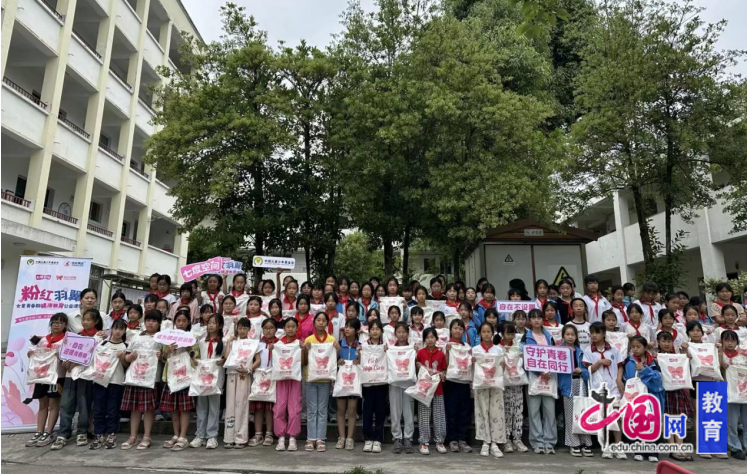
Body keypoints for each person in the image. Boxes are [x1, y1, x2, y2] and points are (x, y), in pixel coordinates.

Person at [52, 308, 103, 450]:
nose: (85, 322)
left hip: (86, 376)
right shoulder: (75, 336)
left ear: (96, 321)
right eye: (84, 319)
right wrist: (64, 361)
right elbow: (65, 352)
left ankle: (82, 431)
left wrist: (75, 362)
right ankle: (63, 433)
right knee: (66, 404)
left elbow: (95, 357)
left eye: (89, 320)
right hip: (70, 375)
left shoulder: (99, 338)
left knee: (84, 405)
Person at [120, 310, 163, 450]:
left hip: (151, 378)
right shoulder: (136, 337)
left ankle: (146, 437)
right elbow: (127, 357)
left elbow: (166, 357)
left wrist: (162, 355)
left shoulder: (162, 338)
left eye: (154, 321)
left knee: (149, 409)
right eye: (148, 320)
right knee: (135, 408)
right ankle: (133, 436)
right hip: (135, 377)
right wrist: (129, 357)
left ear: (159, 323)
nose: (150, 323)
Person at [25, 313, 68, 448]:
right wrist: (30, 354)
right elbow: (34, 353)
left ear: (65, 325)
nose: (56, 325)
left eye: (60, 322)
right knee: (42, 404)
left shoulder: (66, 340)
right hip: (41, 376)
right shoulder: (43, 340)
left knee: (53, 404)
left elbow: (68, 357)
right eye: (54, 322)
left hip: (57, 376)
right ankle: (39, 432)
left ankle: (49, 432)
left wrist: (60, 356)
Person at [619, 335, 664, 462]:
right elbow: (629, 379)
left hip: (652, 395)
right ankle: (638, 450)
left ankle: (653, 452)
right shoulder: (629, 362)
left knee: (652, 422)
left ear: (645, 348)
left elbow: (657, 380)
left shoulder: (653, 361)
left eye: (638, 346)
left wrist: (644, 370)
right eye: (633, 347)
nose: (635, 349)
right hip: (637, 396)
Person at [584, 322, 625, 459]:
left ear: (603, 334)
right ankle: (606, 446)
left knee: (616, 417)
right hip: (599, 389)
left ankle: (618, 446)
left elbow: (620, 365)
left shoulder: (613, 349)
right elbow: (589, 370)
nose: (594, 335)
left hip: (613, 388)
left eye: (597, 332)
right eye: (592, 333)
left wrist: (619, 379)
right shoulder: (588, 350)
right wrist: (600, 362)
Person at [522, 309, 557, 454]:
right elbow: (524, 357)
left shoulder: (549, 336)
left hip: (549, 377)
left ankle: (550, 442)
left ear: (543, 320)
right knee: (534, 412)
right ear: (529, 320)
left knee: (550, 411)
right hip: (533, 377)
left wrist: (550, 372)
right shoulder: (526, 337)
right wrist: (539, 372)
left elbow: (556, 356)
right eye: (533, 318)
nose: (536, 320)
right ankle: (537, 442)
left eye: (539, 318)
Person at [90, 318, 128, 449]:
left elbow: (126, 366)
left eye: (121, 329)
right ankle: (99, 434)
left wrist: (122, 358)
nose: (118, 331)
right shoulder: (102, 344)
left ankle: (111, 434)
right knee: (98, 408)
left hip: (116, 382)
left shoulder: (125, 346)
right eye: (116, 328)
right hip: (100, 381)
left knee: (113, 409)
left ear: (125, 331)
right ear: (111, 329)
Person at [159, 310, 195, 451]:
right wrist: (168, 349)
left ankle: (183, 436)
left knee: (184, 408)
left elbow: (195, 356)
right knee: (174, 408)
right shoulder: (168, 337)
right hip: (171, 377)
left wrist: (189, 347)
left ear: (188, 322)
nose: (181, 323)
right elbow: (163, 358)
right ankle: (175, 434)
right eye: (178, 320)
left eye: (184, 321)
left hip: (185, 377)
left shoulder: (191, 337)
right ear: (174, 322)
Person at [656, 331, 694, 462]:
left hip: (678, 390)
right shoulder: (655, 356)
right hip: (665, 390)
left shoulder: (678, 355)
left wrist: (686, 357)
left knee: (679, 418)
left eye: (669, 341)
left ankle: (680, 447)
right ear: (658, 342)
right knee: (668, 418)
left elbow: (686, 367)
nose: (666, 344)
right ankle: (672, 448)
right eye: (664, 341)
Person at [189, 314, 225, 450]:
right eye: (209, 322)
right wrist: (194, 359)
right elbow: (196, 356)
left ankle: (212, 436)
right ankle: (200, 435)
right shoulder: (201, 341)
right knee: (202, 406)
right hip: (202, 378)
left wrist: (223, 360)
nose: (211, 325)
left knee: (214, 408)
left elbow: (227, 357)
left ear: (220, 326)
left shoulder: (223, 341)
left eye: (214, 323)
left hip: (216, 378)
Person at [302, 312, 336, 452]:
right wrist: (305, 350)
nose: (321, 322)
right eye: (318, 320)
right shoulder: (309, 340)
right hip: (310, 378)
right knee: (311, 409)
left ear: (327, 323)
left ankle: (321, 438)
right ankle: (310, 438)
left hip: (325, 379)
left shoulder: (331, 339)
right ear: (314, 323)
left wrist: (337, 347)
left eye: (323, 320)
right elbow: (304, 361)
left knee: (322, 409)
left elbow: (335, 357)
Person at [558, 324, 592, 457]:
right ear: (563, 336)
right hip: (567, 386)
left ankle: (585, 442)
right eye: (567, 334)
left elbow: (588, 372)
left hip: (581, 384)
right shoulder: (558, 351)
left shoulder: (581, 352)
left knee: (582, 413)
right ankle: (573, 443)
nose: (570, 337)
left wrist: (581, 371)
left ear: (576, 336)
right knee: (570, 416)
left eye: (572, 334)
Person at [472, 322, 505, 458]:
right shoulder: (475, 350)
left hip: (495, 384)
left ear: (492, 333)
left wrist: (503, 365)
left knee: (496, 412)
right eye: (483, 331)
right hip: (481, 384)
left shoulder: (498, 350)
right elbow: (471, 368)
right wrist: (472, 362)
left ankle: (495, 443)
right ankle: (485, 441)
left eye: (488, 331)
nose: (486, 334)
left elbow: (503, 368)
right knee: (482, 411)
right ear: (480, 333)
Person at [416, 327, 448, 455]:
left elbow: (444, 369)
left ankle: (440, 441)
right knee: (424, 416)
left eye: (432, 337)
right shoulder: (420, 353)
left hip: (438, 389)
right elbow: (415, 369)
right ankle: (424, 442)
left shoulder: (441, 354)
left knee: (439, 415)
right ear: (424, 339)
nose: (430, 340)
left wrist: (443, 374)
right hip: (424, 390)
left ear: (436, 338)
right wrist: (417, 366)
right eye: (427, 337)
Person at [248, 319, 278, 448]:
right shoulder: (257, 344)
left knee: (269, 408)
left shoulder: (279, 344)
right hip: (259, 378)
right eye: (265, 328)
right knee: (258, 408)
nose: (268, 330)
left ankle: (269, 434)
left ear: (276, 329)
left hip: (273, 378)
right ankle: (258, 434)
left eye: (271, 328)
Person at [223, 317, 253, 448]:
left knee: (242, 404)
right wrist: (229, 342)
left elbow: (257, 359)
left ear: (249, 329)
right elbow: (226, 357)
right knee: (230, 404)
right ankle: (229, 437)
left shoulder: (252, 343)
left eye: (244, 328)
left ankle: (241, 437)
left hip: (243, 374)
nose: (242, 331)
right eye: (240, 328)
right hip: (231, 373)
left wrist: (248, 369)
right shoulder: (233, 342)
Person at [274, 318, 303, 452]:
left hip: (295, 378)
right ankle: (280, 437)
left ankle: (292, 437)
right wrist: (272, 349)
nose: (290, 329)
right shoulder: (278, 343)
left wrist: (304, 350)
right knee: (279, 407)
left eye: (293, 326)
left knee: (294, 407)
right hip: (281, 379)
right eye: (288, 327)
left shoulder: (299, 343)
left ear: (297, 328)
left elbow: (303, 362)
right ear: (284, 328)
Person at [444, 319, 472, 453]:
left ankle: (462, 439)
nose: (457, 331)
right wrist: (447, 352)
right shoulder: (447, 345)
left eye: (460, 328)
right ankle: (452, 439)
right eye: (455, 328)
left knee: (464, 412)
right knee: (452, 411)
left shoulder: (467, 347)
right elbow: (445, 365)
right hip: (451, 382)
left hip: (464, 382)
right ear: (450, 330)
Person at [498, 321, 526, 453]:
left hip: (517, 383)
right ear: (502, 334)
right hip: (504, 384)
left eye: (512, 333)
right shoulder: (498, 348)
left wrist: (522, 357)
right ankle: (507, 439)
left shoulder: (518, 347)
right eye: (508, 333)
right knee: (507, 411)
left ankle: (517, 438)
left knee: (518, 410)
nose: (510, 336)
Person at [334, 318, 361, 450]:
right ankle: (341, 437)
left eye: (350, 327)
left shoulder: (361, 346)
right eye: (346, 326)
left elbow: (366, 362)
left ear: (357, 330)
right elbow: (331, 360)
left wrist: (360, 358)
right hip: (341, 382)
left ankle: (350, 438)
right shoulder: (339, 344)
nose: (347, 329)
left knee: (352, 409)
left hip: (354, 382)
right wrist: (337, 360)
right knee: (340, 409)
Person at [388, 322, 415, 454]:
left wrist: (415, 351)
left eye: (404, 332)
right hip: (395, 383)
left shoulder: (412, 349)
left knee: (409, 411)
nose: (402, 334)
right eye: (399, 332)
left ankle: (408, 438)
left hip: (409, 383)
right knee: (395, 411)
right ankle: (397, 438)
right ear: (395, 334)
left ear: (408, 334)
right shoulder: (390, 349)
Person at [720, 330, 747, 460]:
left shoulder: (743, 357)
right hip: (728, 393)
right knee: (732, 422)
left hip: (744, 393)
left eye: (732, 340)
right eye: (727, 340)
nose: (730, 343)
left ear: (737, 342)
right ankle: (735, 447)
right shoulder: (719, 355)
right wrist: (721, 363)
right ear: (722, 342)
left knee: (746, 422)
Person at [361, 319, 387, 453]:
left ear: (381, 331)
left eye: (377, 329)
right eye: (372, 329)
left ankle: (378, 439)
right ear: (369, 331)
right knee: (367, 410)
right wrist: (359, 352)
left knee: (380, 410)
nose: (375, 331)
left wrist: (388, 351)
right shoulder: (364, 345)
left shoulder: (385, 345)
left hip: (381, 383)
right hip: (368, 383)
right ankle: (368, 438)